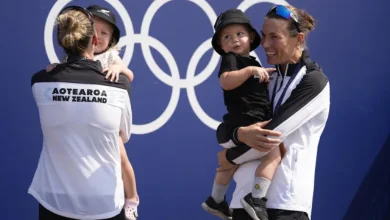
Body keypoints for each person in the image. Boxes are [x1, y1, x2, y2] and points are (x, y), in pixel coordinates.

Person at [216, 5, 330, 220]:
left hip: (285, 203)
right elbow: (227, 127)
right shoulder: (264, 77)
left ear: (299, 39)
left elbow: (270, 135)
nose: (266, 44)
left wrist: (230, 156)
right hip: (243, 201)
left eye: (275, 37)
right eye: (264, 36)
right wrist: (237, 135)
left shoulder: (313, 82)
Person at [29, 5, 132, 219]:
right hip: (105, 202)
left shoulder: (40, 81)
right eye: (99, 32)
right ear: (93, 40)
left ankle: (133, 198)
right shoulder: (119, 86)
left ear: (62, 41)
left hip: (53, 201)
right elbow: (123, 135)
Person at [201, 9, 284, 220]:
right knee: (275, 154)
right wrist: (249, 72)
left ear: (251, 37)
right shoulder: (231, 60)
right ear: (221, 45)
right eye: (227, 37)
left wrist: (267, 73)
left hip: (245, 122)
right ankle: (256, 198)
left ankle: (216, 200)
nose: (235, 40)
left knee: (229, 163)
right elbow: (225, 81)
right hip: (246, 121)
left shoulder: (254, 63)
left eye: (240, 34)